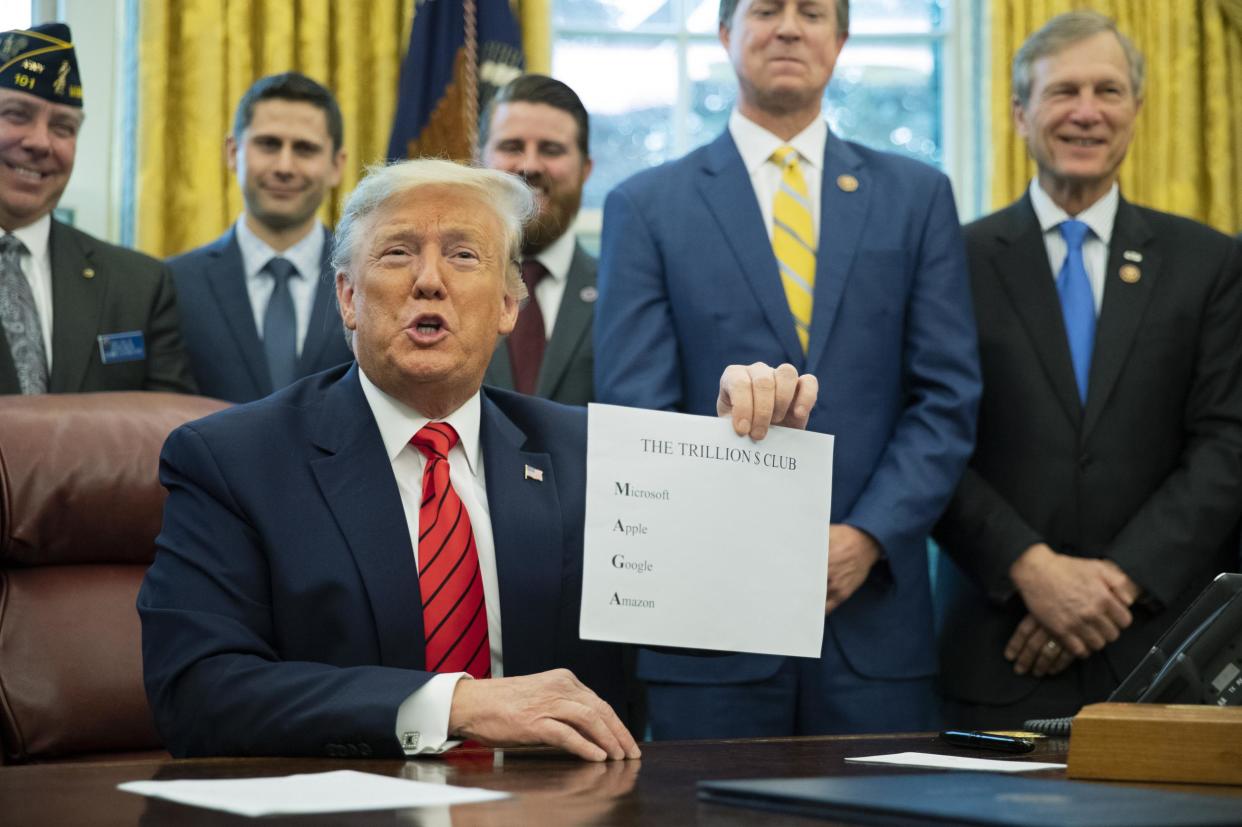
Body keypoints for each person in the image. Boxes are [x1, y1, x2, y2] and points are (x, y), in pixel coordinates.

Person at [138, 158, 818, 760]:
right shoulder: (234, 460)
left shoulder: (588, 455)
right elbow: (198, 691)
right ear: (348, 296)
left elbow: (722, 619)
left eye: (464, 255)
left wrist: (754, 461)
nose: (429, 280)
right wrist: (456, 705)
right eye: (399, 252)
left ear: (507, 305)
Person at [593, 0, 980, 738]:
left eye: (812, 12)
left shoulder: (917, 197)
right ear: (724, 34)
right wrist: (759, 541)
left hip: (873, 620)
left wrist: (867, 535)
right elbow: (635, 406)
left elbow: (947, 396)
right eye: (766, 9)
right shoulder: (645, 206)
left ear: (840, 41)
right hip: (711, 628)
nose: (789, 27)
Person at [933, 11, 1242, 728]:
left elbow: (1227, 443)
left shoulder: (1210, 263)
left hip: (1164, 648)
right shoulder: (951, 259)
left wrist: (1113, 585)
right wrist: (1032, 571)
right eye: (1062, 91)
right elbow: (927, 433)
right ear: (1019, 113)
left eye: (1108, 91)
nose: (1085, 112)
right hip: (996, 644)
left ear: (1136, 110)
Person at [0, 23, 194, 395]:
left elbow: (167, 431)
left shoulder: (139, 285)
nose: (41, 142)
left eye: (63, 127)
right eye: (17, 115)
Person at [168, 72, 354, 403]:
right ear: (233, 152)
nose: (284, 166)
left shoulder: (367, 281)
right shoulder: (172, 284)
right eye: (268, 144)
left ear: (336, 165)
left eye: (305, 149)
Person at [478, 74, 596, 405]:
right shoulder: (440, 288)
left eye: (551, 149)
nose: (529, 165)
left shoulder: (622, 291)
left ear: (586, 169)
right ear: (480, 160)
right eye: (511, 147)